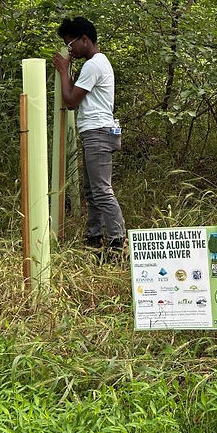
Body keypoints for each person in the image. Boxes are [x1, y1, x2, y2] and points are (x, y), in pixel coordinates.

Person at [52, 17, 126, 261]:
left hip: (98, 132)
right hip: (96, 132)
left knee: (102, 190)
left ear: (85, 39)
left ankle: (118, 243)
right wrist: (68, 71)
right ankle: (94, 238)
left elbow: (71, 101)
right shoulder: (94, 64)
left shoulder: (94, 65)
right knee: (92, 191)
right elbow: (75, 93)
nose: (69, 49)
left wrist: (63, 70)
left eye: (70, 43)